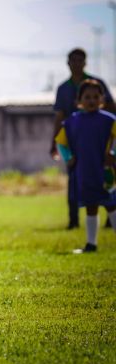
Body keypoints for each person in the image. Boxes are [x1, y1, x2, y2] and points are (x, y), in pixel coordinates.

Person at [50, 48, 116, 229]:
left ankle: (111, 221)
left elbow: (112, 109)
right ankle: (74, 221)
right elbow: (60, 118)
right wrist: (56, 146)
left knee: (107, 188)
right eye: (73, 60)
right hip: (79, 148)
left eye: (80, 60)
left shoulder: (96, 85)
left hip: (100, 149)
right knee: (78, 185)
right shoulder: (64, 91)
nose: (91, 100)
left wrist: (110, 148)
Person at [55, 79, 116, 253]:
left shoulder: (109, 120)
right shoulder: (72, 122)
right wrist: (69, 158)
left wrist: (113, 153)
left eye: (95, 97)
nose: (91, 100)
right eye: (87, 97)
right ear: (79, 101)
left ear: (102, 99)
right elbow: (61, 143)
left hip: (105, 171)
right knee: (91, 206)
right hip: (85, 172)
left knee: (112, 204)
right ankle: (91, 244)